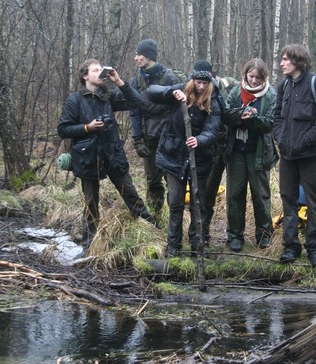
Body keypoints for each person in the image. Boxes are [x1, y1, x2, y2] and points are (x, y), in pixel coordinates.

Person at [58, 59, 158, 258]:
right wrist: (87, 128)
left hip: (112, 154)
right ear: (85, 75)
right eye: (96, 70)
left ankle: (154, 231)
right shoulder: (74, 100)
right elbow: (63, 129)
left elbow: (137, 102)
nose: (100, 73)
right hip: (87, 157)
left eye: (101, 70)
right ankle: (90, 247)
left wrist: (118, 81)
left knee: (130, 193)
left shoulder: (108, 97)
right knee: (90, 202)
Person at [273, 44, 316, 267]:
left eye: (285, 59)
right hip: (288, 156)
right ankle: (290, 247)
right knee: (288, 200)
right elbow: (277, 117)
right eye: (281, 59)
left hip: (311, 156)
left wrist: (305, 141)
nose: (281, 63)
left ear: (298, 61)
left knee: (313, 201)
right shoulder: (283, 87)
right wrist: (281, 138)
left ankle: (315, 249)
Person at [147, 70, 221, 258]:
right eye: (198, 82)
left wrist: (200, 140)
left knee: (198, 205)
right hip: (174, 157)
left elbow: (213, 129)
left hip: (200, 159)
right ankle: (174, 246)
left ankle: (197, 246)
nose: (202, 86)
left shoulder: (214, 101)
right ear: (192, 81)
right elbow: (151, 91)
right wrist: (171, 93)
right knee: (175, 202)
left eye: (205, 83)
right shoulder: (180, 90)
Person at [223, 58, 278, 252]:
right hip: (237, 150)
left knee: (261, 195)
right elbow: (226, 115)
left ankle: (264, 235)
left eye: (258, 77)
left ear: (264, 77)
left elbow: (270, 123)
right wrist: (241, 115)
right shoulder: (236, 91)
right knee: (234, 194)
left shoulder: (271, 95)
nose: (254, 81)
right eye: (251, 76)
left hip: (259, 152)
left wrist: (252, 119)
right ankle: (234, 236)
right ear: (245, 74)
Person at [130, 39, 186, 215]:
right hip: (149, 140)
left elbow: (180, 110)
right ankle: (155, 220)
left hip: (169, 139)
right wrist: (137, 139)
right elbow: (135, 112)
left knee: (173, 181)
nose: (136, 58)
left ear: (148, 56)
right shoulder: (137, 80)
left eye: (139, 54)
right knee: (152, 182)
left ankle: (174, 221)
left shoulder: (169, 77)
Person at [191, 60, 237, 247]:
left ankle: (234, 234)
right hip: (211, 149)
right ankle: (204, 232)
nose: (203, 83)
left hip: (232, 147)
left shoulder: (231, 87)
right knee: (207, 194)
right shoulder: (194, 92)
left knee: (234, 194)